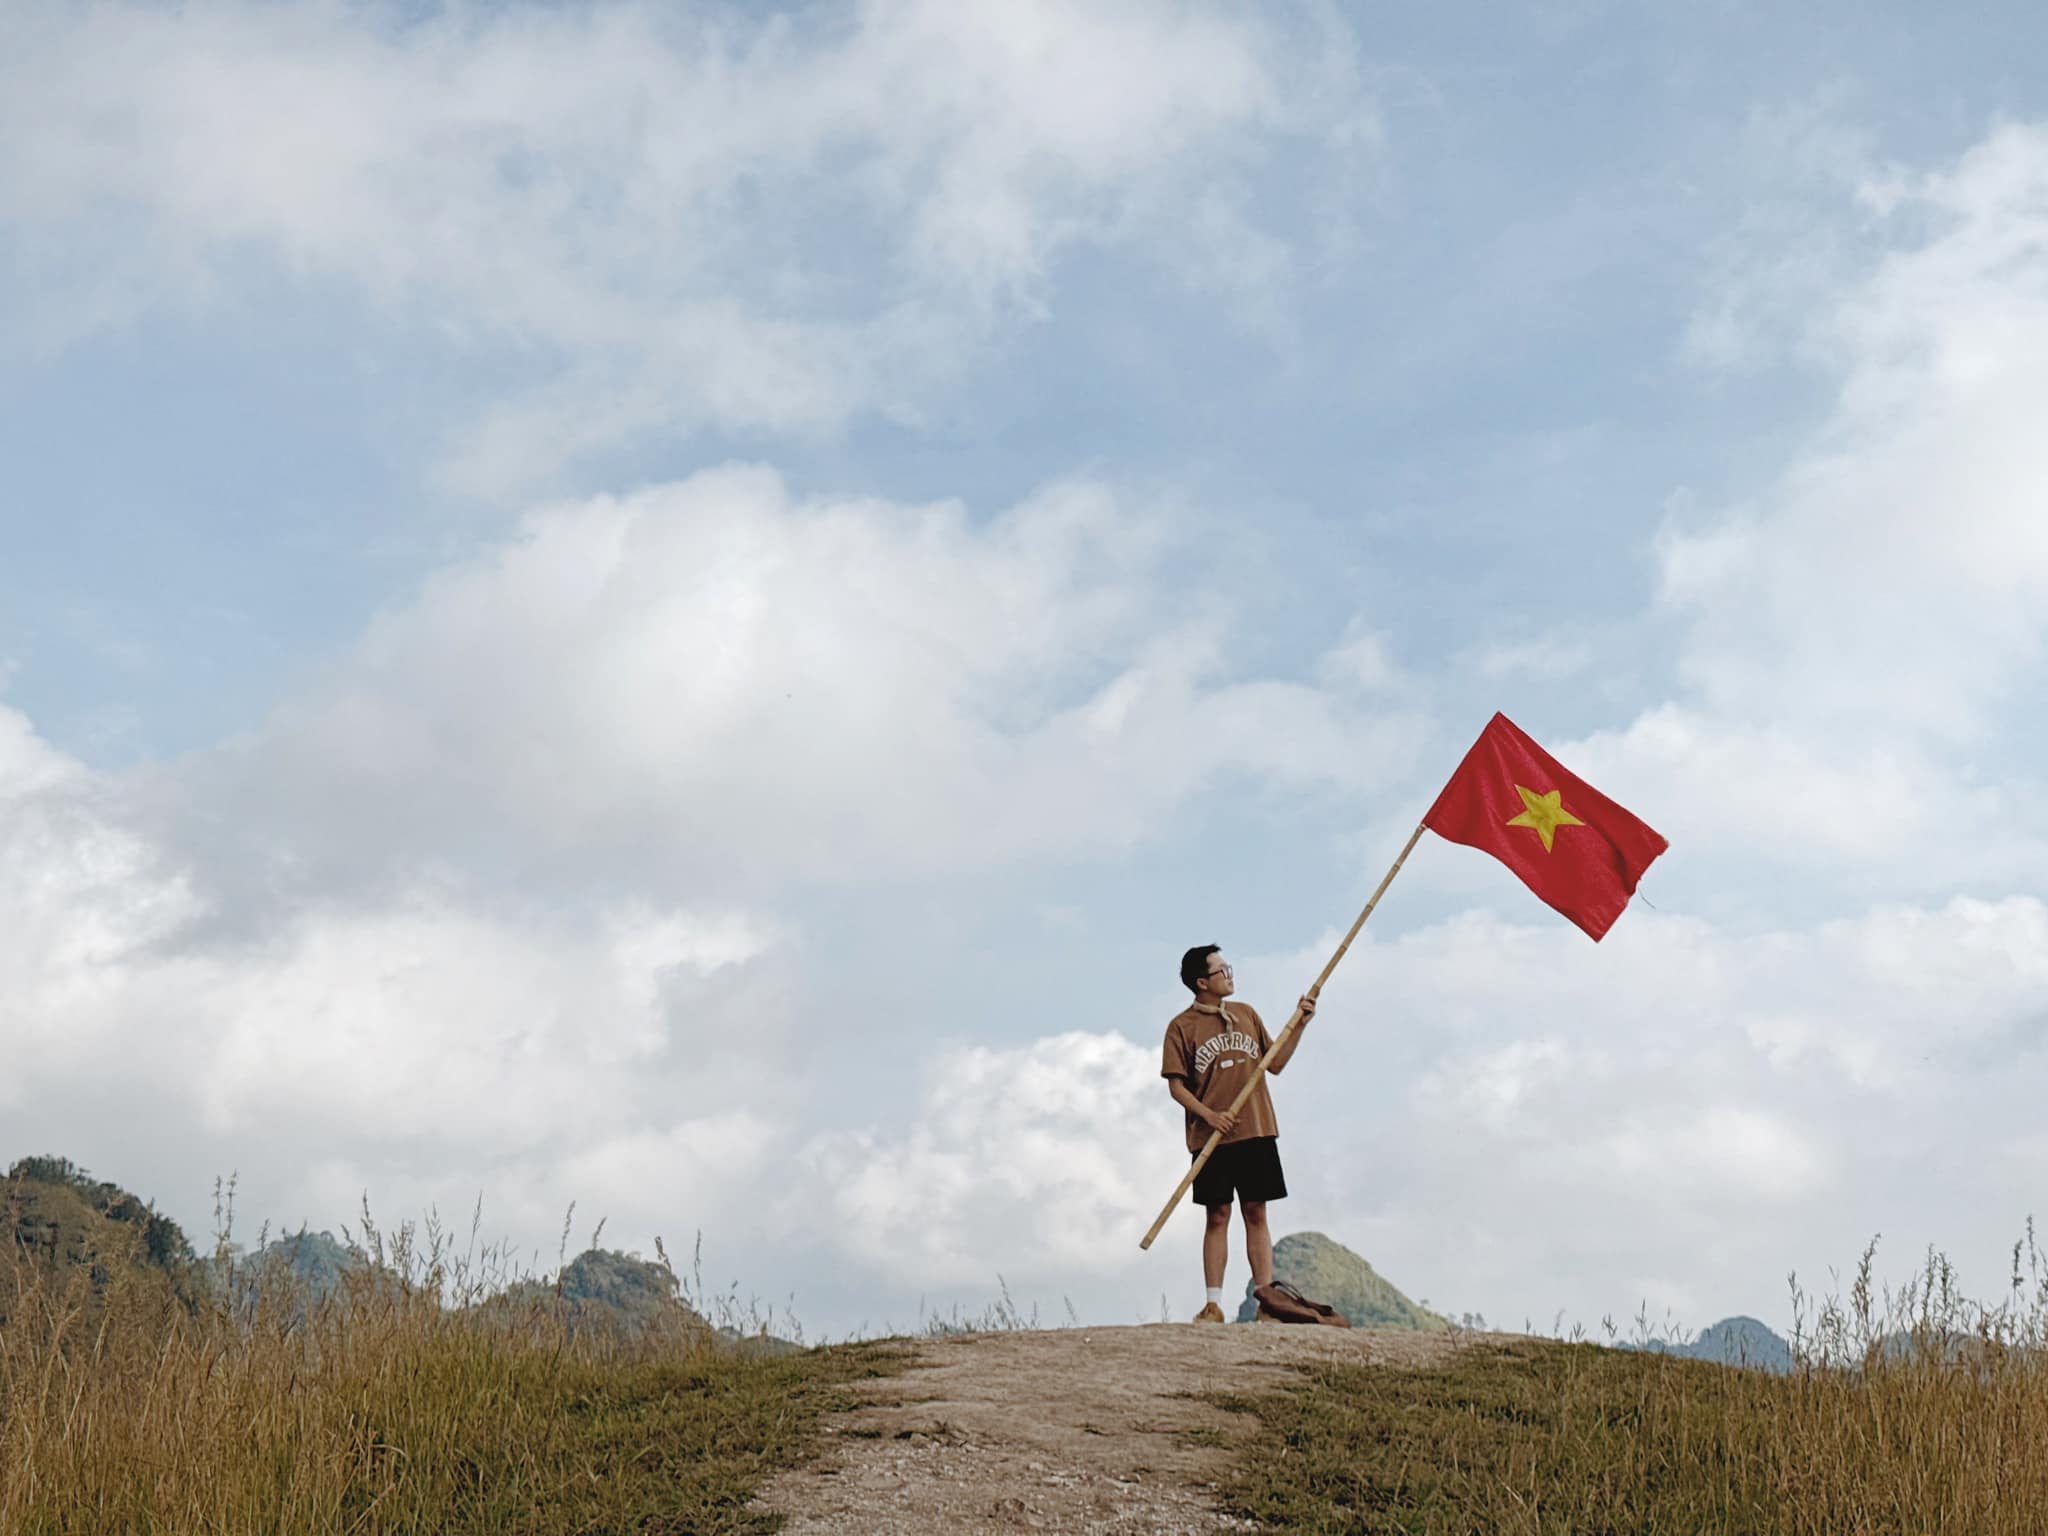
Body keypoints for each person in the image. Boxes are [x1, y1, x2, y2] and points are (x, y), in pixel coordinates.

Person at [1161, 944, 1314, 1323]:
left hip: (1256, 1128)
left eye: (1228, 968)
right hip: (1211, 1137)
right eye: (1220, 970)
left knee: (1256, 1211)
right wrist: (1209, 1116)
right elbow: (1177, 1087)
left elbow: (1274, 1062)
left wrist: (1300, 1023)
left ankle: (1268, 1301)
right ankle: (1213, 1304)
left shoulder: (1246, 1014)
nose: (1229, 975)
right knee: (1217, 1214)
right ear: (1201, 982)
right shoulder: (1182, 1026)